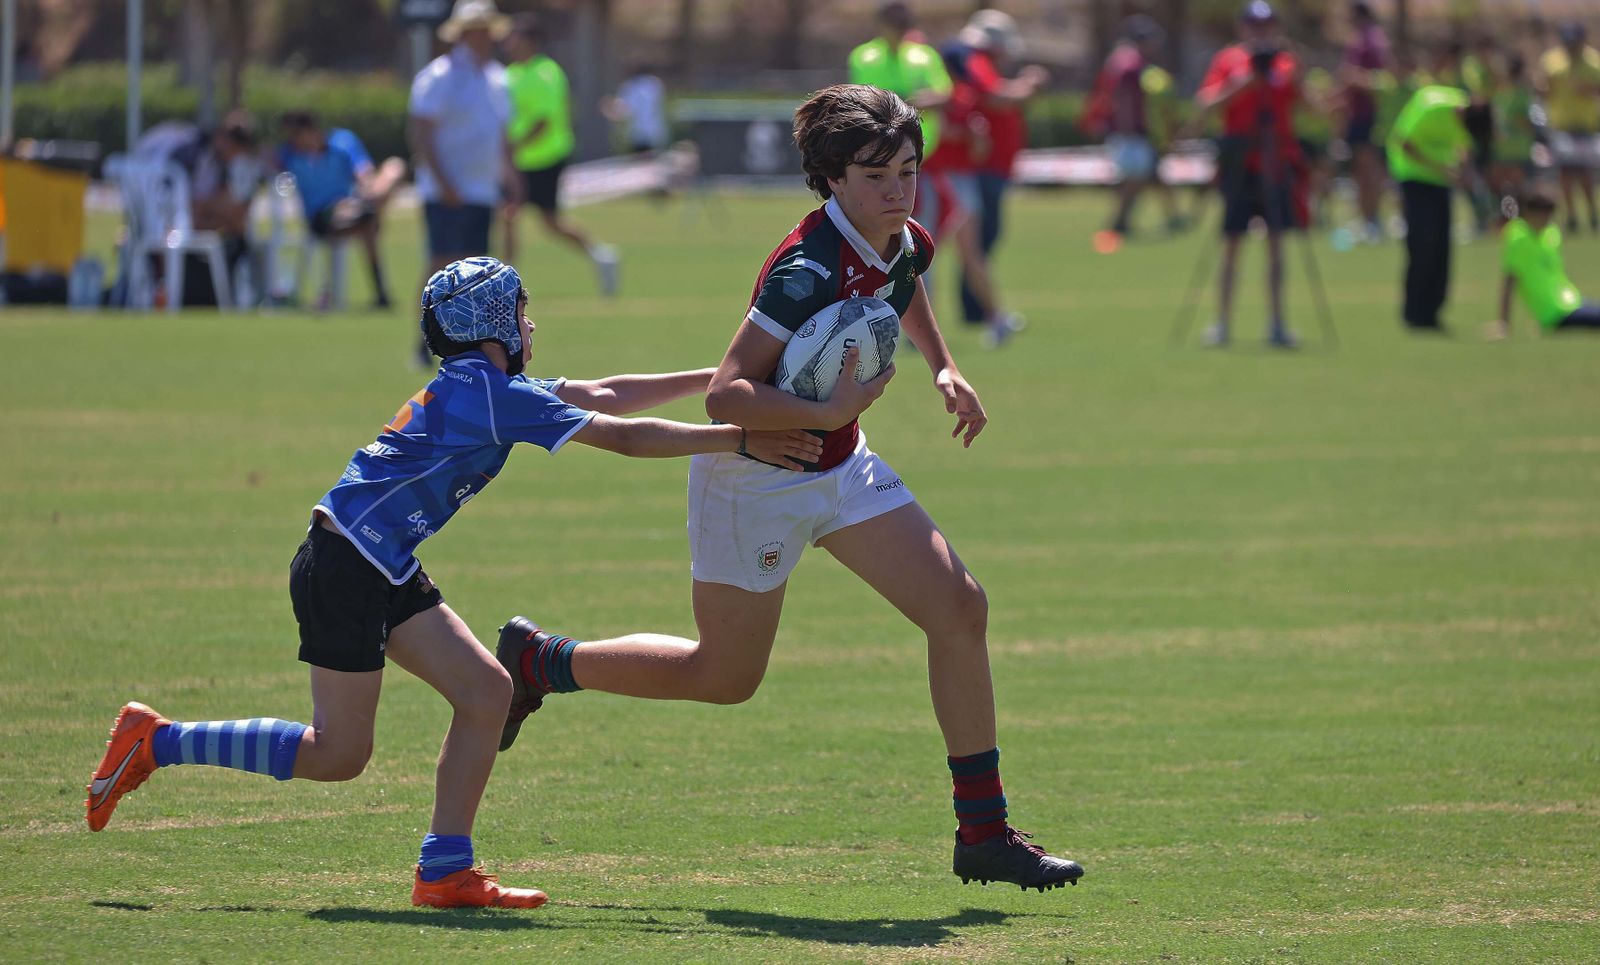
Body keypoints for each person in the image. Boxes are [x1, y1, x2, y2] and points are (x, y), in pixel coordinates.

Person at [84, 255, 823, 908]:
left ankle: (445, 872)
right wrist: (741, 435)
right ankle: (157, 740)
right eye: (524, 311)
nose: (534, 324)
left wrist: (721, 381)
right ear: (499, 319)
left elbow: (602, 391)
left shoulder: (489, 383)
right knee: (339, 754)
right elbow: (621, 434)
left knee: (487, 691)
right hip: (345, 565)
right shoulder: (493, 393)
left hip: (377, 560)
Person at [491, 84, 1085, 893]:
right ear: (832, 178)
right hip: (755, 479)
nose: (897, 190)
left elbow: (904, 286)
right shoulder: (803, 270)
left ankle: (983, 832)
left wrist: (944, 365)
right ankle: (543, 662)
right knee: (724, 678)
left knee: (960, 609)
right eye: (876, 175)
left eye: (908, 169)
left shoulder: (899, 235)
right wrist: (829, 406)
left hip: (842, 465)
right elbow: (727, 394)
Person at [407, 0, 523, 365]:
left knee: (478, 273)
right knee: (440, 263)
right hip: (446, 191)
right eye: (480, 29)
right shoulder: (439, 76)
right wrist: (443, 183)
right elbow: (421, 132)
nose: (487, 36)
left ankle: (472, 348)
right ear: (464, 33)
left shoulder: (497, 78)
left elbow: (501, 137)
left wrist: (512, 179)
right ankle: (424, 340)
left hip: (480, 190)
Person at [1194, 1, 1304, 348]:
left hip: (1275, 161)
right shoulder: (1229, 60)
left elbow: (1304, 101)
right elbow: (1207, 104)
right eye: (1255, 24)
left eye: (1268, 24)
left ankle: (1277, 323)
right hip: (1240, 160)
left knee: (1276, 245)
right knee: (1232, 243)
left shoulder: (1285, 62)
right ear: (1243, 27)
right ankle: (1222, 323)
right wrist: (1246, 82)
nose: (1261, 31)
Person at [944, 9, 1046, 343]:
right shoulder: (976, 66)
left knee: (978, 244)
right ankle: (979, 311)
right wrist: (1029, 85)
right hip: (970, 172)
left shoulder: (976, 70)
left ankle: (982, 312)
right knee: (977, 243)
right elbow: (997, 99)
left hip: (984, 169)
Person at [502, 13, 619, 295]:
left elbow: (543, 121)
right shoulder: (511, 73)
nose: (508, 43)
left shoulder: (545, 72)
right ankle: (505, 282)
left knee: (550, 222)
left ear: (529, 41)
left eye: (514, 37)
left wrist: (513, 145)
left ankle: (601, 254)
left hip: (544, 158)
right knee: (508, 216)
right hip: (518, 161)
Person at [132, 110, 265, 305]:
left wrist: (211, 211)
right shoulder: (194, 156)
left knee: (238, 238)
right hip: (169, 229)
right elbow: (185, 213)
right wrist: (213, 210)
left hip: (210, 230)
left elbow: (238, 218)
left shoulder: (236, 166)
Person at [278, 111, 406, 310]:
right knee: (367, 222)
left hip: (353, 207)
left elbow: (364, 172)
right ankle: (380, 292)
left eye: (295, 134)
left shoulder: (342, 141)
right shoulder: (289, 154)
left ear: (310, 131)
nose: (292, 140)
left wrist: (366, 191)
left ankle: (369, 213)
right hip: (321, 218)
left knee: (394, 168)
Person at [848, 0, 953, 226]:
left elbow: (944, 94)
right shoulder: (864, 56)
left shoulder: (925, 56)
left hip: (922, 151)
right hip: (879, 152)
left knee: (925, 217)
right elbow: (863, 100)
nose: (898, 28)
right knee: (881, 213)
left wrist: (902, 103)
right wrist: (910, 102)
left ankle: (919, 261)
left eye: (902, 23)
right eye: (893, 22)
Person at [1386, 83, 1471, 332]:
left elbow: (1463, 146)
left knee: (1442, 247)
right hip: (1414, 180)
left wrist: (1461, 168)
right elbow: (1405, 144)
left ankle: (1434, 311)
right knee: (1422, 244)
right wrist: (1440, 167)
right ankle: (1414, 312)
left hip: (1440, 183)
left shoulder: (1466, 115)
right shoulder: (1432, 106)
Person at [1089, 15, 1167, 237]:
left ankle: (1121, 219)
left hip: (1130, 132)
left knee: (1136, 179)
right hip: (1130, 133)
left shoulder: (1124, 61)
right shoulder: (1130, 65)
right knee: (1133, 178)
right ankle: (1119, 221)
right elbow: (1123, 100)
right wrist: (1129, 129)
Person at [1489, 188, 1600, 338]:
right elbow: (1510, 281)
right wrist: (1504, 323)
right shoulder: (1518, 238)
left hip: (1571, 301)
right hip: (1555, 313)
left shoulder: (1551, 233)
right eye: (1543, 215)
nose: (1547, 220)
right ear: (1529, 213)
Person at [1539, 22, 1600, 234]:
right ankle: (1572, 215)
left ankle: (1592, 213)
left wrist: (1588, 89)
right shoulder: (1552, 61)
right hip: (1561, 125)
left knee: (1585, 173)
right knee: (1565, 173)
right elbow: (1544, 90)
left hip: (1585, 125)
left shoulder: (1594, 62)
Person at [1337, 1, 1391, 243]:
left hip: (1369, 115)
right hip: (1356, 114)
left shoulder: (1372, 40)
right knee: (1361, 171)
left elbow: (1382, 78)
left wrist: (1353, 78)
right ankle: (1367, 218)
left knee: (1370, 169)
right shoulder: (1361, 39)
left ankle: (1373, 220)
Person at [1488, 54, 1536, 225]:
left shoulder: (1521, 93)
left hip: (1517, 147)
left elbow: (1527, 122)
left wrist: (1514, 120)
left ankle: (1522, 218)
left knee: (1517, 185)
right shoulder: (1500, 91)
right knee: (1503, 186)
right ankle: (1509, 216)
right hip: (1501, 147)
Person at [602, 64, 670, 155]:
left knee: (642, 162)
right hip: (656, 131)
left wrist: (610, 107)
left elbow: (626, 109)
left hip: (639, 133)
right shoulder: (655, 84)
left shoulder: (632, 87)